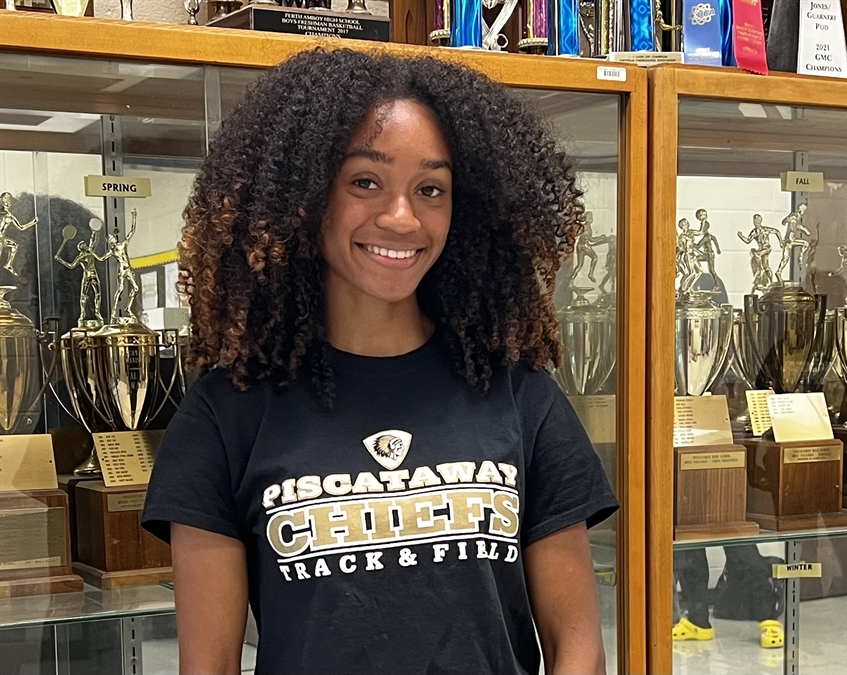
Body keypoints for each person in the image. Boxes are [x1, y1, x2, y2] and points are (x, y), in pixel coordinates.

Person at [141, 49, 618, 675]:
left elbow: (577, 647)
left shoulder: (520, 396)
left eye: (431, 189)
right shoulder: (225, 415)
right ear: (305, 196)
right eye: (365, 181)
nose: (401, 217)